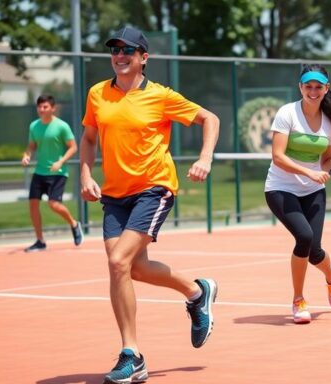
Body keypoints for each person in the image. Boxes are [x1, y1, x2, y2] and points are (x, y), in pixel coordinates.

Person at [79, 26, 220, 384]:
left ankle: (132, 355)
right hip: (114, 194)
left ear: (144, 58)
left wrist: (205, 158)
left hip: (153, 189)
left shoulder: (161, 96)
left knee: (117, 260)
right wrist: (84, 174)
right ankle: (196, 291)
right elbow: (89, 137)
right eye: (115, 49)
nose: (120, 55)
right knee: (130, 269)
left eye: (128, 50)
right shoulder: (97, 94)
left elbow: (210, 119)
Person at [264, 64, 331, 324]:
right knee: (303, 236)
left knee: (315, 252)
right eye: (308, 86)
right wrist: (309, 172)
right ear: (300, 87)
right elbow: (278, 157)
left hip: (313, 190)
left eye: (318, 86)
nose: (312, 91)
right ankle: (298, 300)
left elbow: (325, 162)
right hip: (280, 188)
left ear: (327, 88)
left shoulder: (330, 121)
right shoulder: (287, 113)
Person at [21, 95, 83, 252]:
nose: (42, 110)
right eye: (39, 107)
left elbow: (73, 147)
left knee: (53, 204)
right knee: (33, 204)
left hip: (58, 172)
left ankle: (74, 224)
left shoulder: (62, 126)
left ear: (53, 108)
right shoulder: (34, 126)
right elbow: (31, 146)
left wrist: (60, 162)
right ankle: (40, 241)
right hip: (39, 171)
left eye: (45, 107)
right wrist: (27, 155)